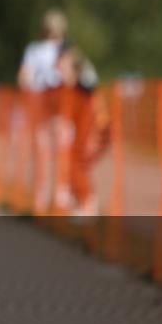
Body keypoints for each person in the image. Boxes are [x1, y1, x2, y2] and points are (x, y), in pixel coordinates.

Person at [17, 9, 67, 213]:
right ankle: (46, 196)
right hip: (44, 105)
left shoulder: (65, 49)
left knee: (56, 151)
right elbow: (24, 76)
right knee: (47, 152)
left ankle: (57, 195)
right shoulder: (36, 50)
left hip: (59, 105)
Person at [56, 42, 110, 216]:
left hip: (94, 122)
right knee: (75, 160)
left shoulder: (83, 70)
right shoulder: (71, 84)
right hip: (83, 122)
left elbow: (89, 88)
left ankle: (88, 203)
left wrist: (75, 72)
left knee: (79, 160)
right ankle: (80, 200)